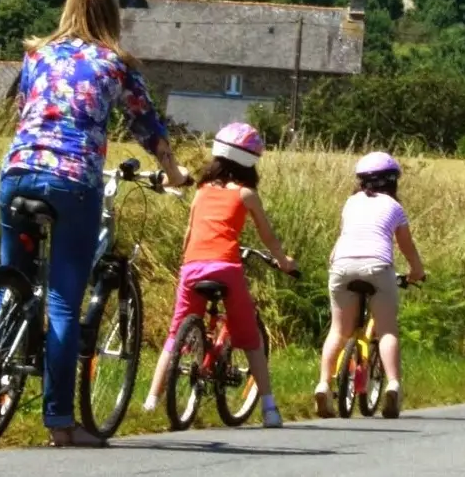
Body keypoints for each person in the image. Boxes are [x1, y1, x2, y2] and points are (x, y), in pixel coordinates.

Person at [0, 0, 189, 448]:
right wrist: (172, 169)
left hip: (17, 169)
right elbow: (147, 124)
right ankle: (60, 421)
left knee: (9, 276)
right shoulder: (115, 63)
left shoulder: (36, 54)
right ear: (111, 16)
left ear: (67, 9)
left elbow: (24, 111)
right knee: (62, 300)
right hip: (73, 179)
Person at [143, 121, 297, 428]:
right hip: (226, 267)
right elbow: (268, 237)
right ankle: (269, 408)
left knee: (175, 335)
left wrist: (185, 264)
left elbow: (189, 233)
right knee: (250, 337)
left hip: (192, 266)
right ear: (252, 162)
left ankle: (151, 400)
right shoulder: (246, 194)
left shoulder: (201, 191)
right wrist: (283, 261)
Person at [315, 151, 425, 420]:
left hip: (341, 266)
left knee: (339, 330)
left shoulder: (350, 203)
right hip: (377, 267)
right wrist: (416, 271)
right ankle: (393, 386)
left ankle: (323, 384)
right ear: (392, 182)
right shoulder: (394, 207)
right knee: (387, 330)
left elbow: (341, 240)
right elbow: (406, 246)